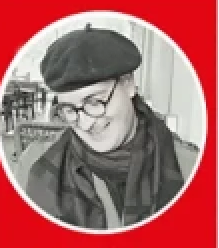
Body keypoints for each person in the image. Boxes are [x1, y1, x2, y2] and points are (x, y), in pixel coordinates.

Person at [12, 24, 199, 230]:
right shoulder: (34, 166)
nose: (85, 123)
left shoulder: (189, 167)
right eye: (69, 109)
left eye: (95, 102)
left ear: (128, 85)